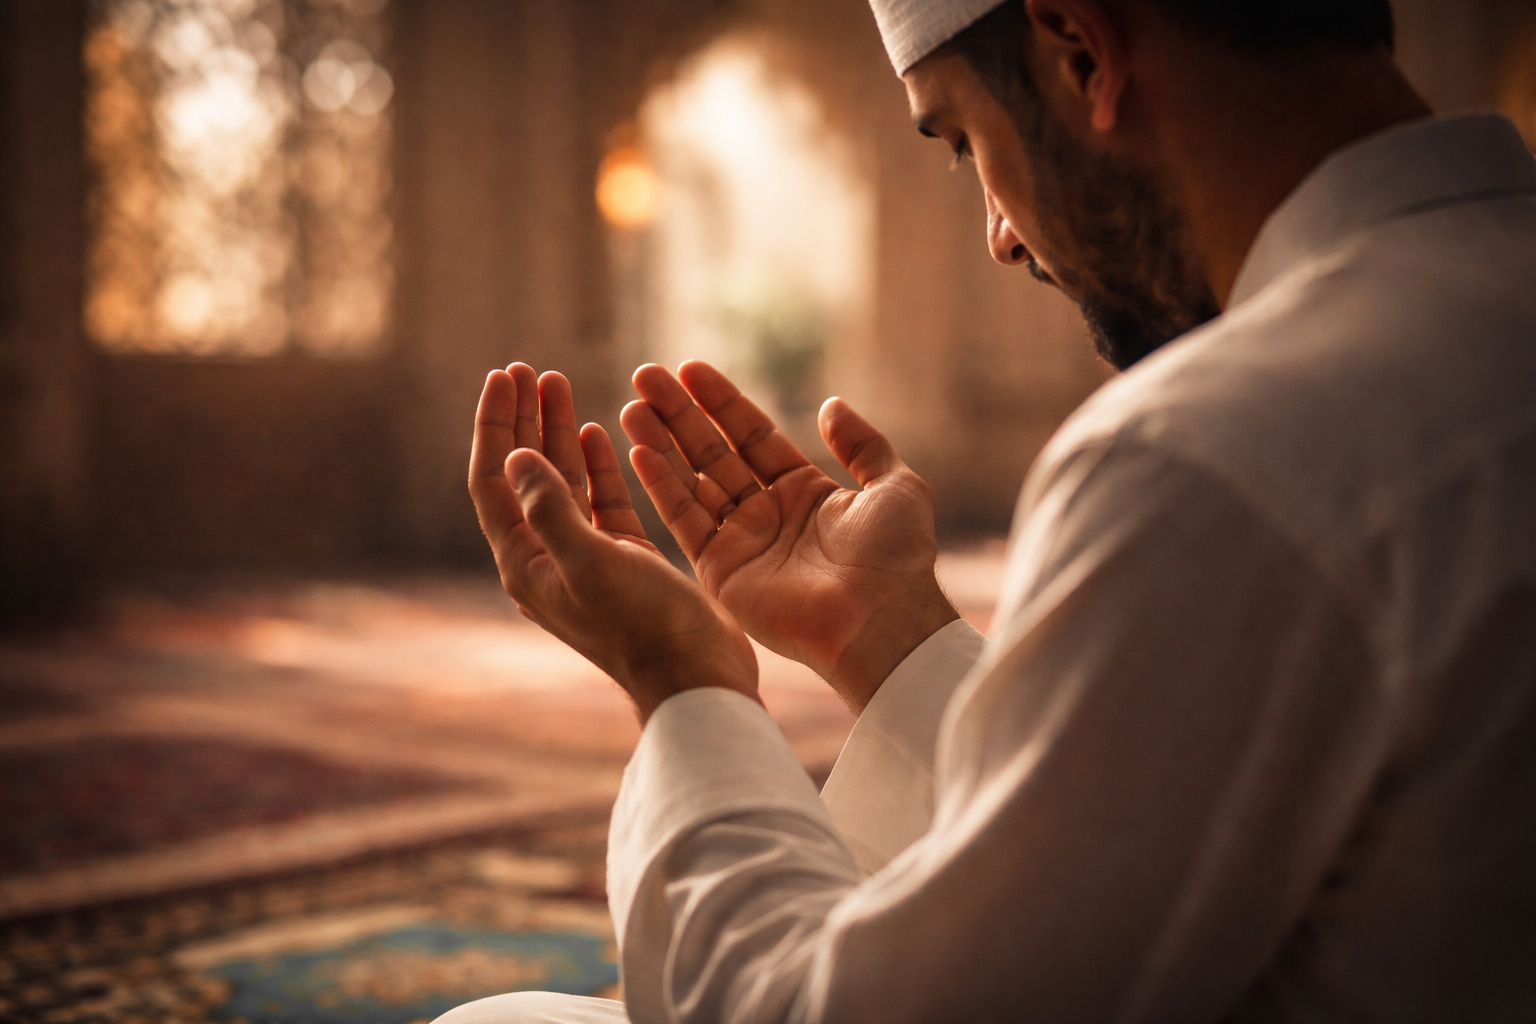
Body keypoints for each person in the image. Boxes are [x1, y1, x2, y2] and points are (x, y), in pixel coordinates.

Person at [445, 0, 1536, 1020]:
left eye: (962, 141)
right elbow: (1140, 845)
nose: (1000, 238)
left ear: (1080, 50)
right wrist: (888, 638)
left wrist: (681, 682)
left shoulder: (1216, 449)